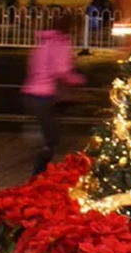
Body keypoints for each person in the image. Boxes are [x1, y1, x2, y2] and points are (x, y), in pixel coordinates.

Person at [21, 10, 86, 177]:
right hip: (44, 95)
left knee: (50, 129)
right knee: (52, 139)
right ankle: (38, 174)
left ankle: (38, 138)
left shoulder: (44, 42)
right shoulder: (61, 44)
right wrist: (78, 79)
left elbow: (32, 65)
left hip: (30, 92)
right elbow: (62, 71)